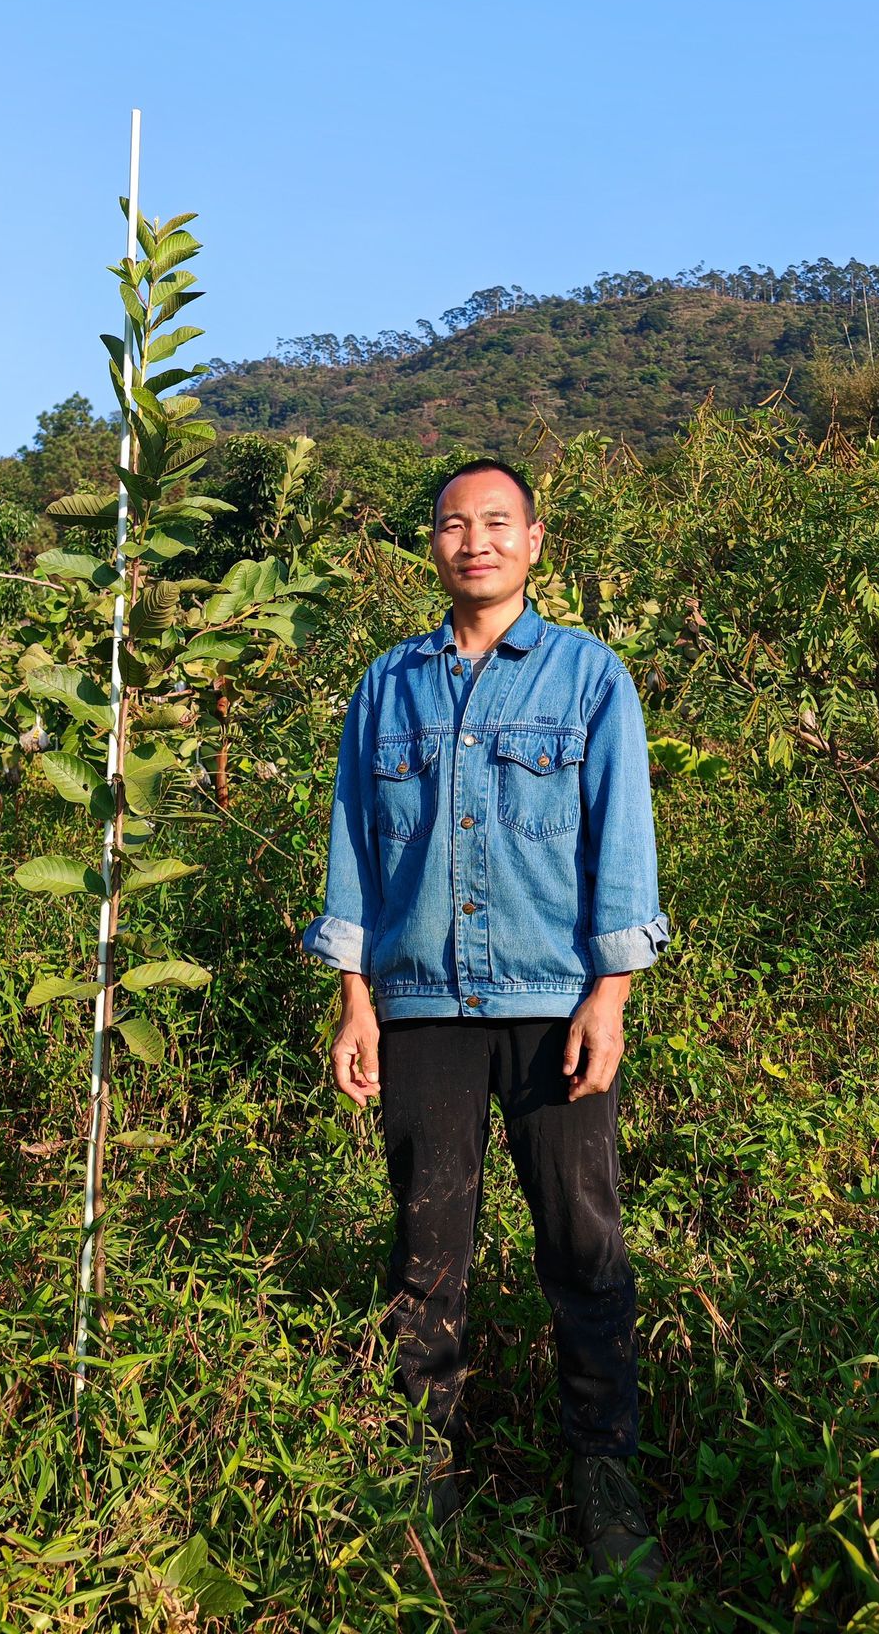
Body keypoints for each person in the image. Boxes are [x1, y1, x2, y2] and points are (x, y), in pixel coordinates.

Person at [302, 458, 669, 1579]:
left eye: (497, 523)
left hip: (553, 1006)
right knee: (427, 1254)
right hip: (420, 1010)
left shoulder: (589, 677)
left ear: (535, 541)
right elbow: (356, 844)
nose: (477, 542)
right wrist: (354, 996)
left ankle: (608, 1488)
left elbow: (624, 841)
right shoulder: (389, 685)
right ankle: (422, 1480)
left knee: (584, 1247)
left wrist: (610, 995)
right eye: (456, 525)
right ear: (433, 545)